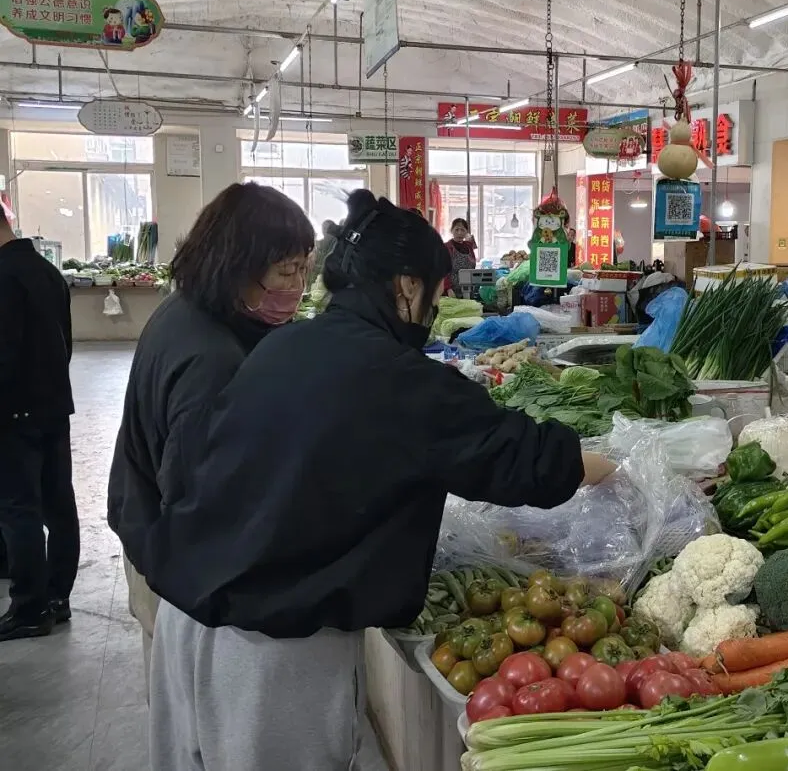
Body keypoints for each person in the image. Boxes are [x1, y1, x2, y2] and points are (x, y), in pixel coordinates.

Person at [141, 190, 616, 771]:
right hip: (269, 655)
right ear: (407, 287)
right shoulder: (401, 380)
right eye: (436, 296)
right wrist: (616, 468)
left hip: (185, 623)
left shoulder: (284, 344)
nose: (434, 311)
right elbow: (526, 460)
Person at [107, 182, 314, 694]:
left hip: (146, 530)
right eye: (286, 271)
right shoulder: (211, 362)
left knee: (179, 709)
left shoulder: (185, 308)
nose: (299, 286)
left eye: (303, 269)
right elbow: (200, 504)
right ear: (237, 266)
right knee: (198, 714)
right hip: (175, 570)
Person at [0, 216, 78, 641]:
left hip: (14, 411)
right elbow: (66, 341)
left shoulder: (4, 276)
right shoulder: (48, 272)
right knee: (58, 504)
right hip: (53, 406)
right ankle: (57, 597)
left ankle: (30, 608)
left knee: (19, 510)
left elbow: (4, 355)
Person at [444, 216, 477, 297]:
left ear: (466, 232)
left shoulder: (469, 246)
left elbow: (473, 266)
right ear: (451, 230)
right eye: (456, 229)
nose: (459, 233)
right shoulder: (447, 247)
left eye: (462, 230)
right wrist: (448, 288)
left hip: (469, 290)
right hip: (452, 292)